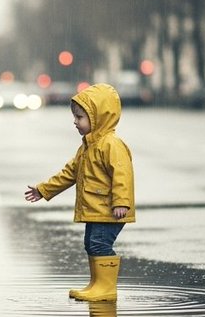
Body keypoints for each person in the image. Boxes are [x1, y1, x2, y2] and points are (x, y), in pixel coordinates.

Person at [25, 84, 134, 301]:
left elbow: (123, 175)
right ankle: (97, 284)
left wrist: (121, 202)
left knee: (99, 244)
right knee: (91, 244)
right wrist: (43, 189)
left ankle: (106, 288)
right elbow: (69, 174)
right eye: (75, 116)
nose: (75, 122)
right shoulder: (87, 147)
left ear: (98, 117)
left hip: (110, 210)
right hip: (96, 210)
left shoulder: (111, 145)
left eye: (80, 117)